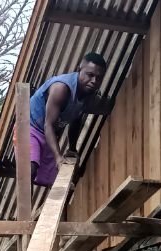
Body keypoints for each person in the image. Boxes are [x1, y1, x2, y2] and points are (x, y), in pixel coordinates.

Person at [26, 52, 108, 186]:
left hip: (48, 135)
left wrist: (72, 148)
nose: (94, 81)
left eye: (99, 78)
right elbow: (49, 125)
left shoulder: (88, 93)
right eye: (90, 75)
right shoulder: (61, 88)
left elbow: (76, 119)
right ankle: (24, 207)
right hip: (30, 128)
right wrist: (58, 158)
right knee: (30, 169)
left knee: (53, 181)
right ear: (78, 69)